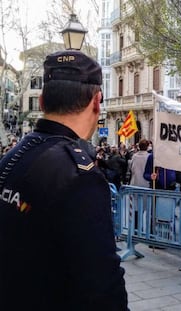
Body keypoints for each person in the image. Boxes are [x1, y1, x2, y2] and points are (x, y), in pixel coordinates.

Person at [0, 50, 128, 310]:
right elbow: (103, 286)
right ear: (97, 101)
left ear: (44, 101)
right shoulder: (79, 176)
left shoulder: (11, 156)